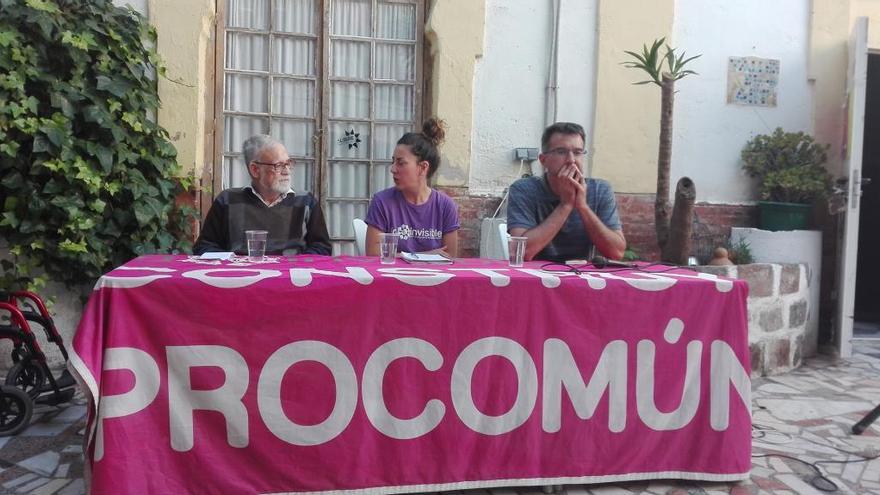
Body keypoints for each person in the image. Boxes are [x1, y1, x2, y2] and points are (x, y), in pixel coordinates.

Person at [193, 134, 331, 256]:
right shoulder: (227, 200)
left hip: (289, 279)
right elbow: (204, 247)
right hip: (241, 278)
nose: (287, 171)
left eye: (288, 164)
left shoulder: (306, 201)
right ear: (255, 170)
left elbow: (322, 248)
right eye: (279, 165)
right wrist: (233, 263)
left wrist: (294, 265)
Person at [507, 122, 626, 262]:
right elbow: (522, 252)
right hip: (536, 276)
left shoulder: (600, 189)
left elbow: (616, 253)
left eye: (577, 152)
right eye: (561, 152)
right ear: (543, 160)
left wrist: (583, 207)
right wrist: (566, 205)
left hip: (583, 277)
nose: (571, 160)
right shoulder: (524, 189)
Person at [364, 118, 460, 257]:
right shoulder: (382, 202)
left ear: (423, 167)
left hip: (434, 278)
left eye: (401, 163)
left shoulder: (445, 206)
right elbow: (373, 254)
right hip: (391, 278)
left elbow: (449, 256)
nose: (392, 169)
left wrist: (398, 255)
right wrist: (428, 255)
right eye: (393, 162)